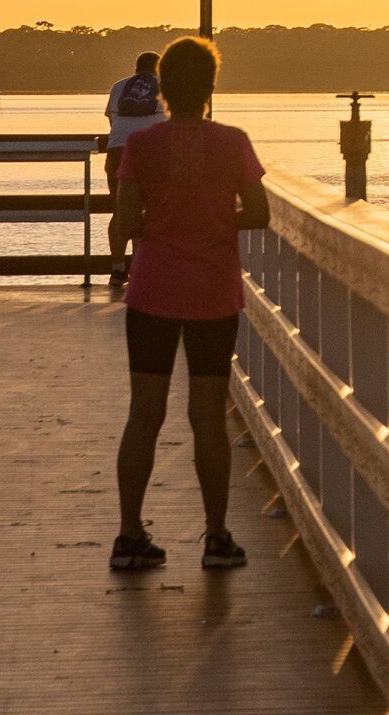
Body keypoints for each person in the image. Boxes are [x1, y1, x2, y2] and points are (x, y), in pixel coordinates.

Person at [104, 35, 269, 574]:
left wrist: (151, 229)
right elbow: (259, 212)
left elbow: (124, 225)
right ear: (211, 87)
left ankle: (130, 537)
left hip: (152, 291)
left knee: (143, 415)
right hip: (213, 293)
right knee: (208, 418)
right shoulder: (234, 142)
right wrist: (217, 220)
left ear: (163, 91)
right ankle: (216, 538)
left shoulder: (143, 148)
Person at [102, 50, 165, 294]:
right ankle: (141, 269)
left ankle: (117, 269)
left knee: (120, 211)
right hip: (152, 155)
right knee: (150, 210)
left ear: (136, 68)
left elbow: (111, 121)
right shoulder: (166, 85)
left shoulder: (118, 87)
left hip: (118, 152)